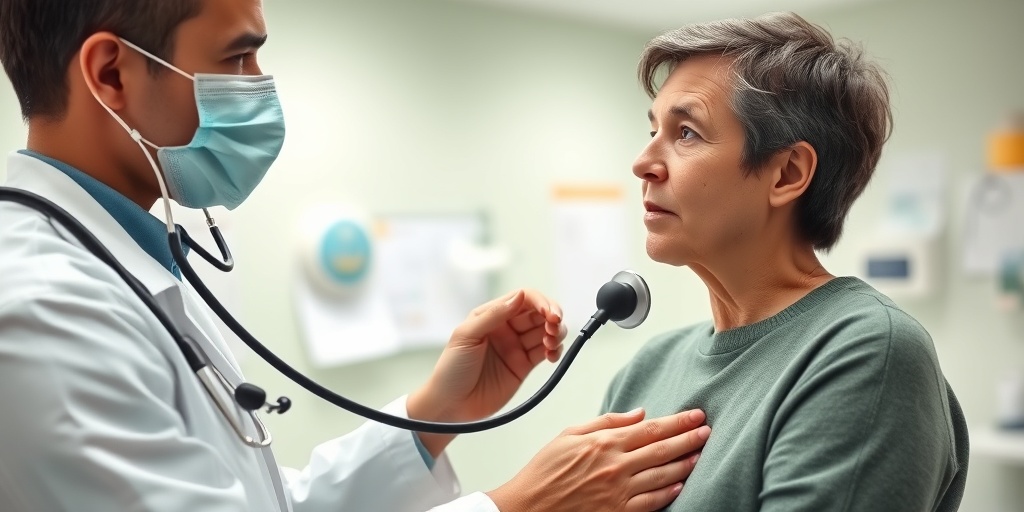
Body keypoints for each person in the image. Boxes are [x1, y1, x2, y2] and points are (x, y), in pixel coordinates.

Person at [0, 0, 711, 511]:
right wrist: (517, 506)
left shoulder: (124, 261)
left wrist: (434, 416)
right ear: (113, 74)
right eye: (236, 57)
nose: (259, 86)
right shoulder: (40, 307)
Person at [601, 11, 969, 511]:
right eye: (652, 131)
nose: (643, 163)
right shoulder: (646, 370)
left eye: (685, 133)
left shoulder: (865, 353)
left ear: (787, 174)